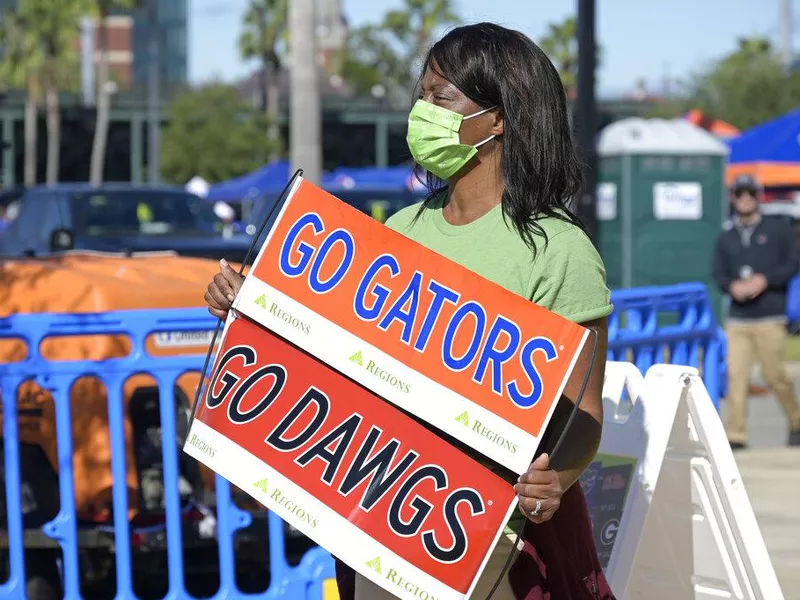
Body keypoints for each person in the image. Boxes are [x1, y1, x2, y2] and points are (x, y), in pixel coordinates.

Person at [206, 23, 614, 600]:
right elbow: (334, 358)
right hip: (380, 520)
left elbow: (585, 413)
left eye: (441, 98)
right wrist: (248, 304)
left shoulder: (558, 249)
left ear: (498, 118)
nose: (422, 112)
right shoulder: (399, 232)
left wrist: (556, 480)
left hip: (491, 539)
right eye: (420, 96)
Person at [713, 174, 800, 449]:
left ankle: (796, 421)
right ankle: (736, 434)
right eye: (740, 193)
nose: (745, 198)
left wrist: (766, 279)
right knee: (736, 376)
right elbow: (718, 274)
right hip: (738, 318)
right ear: (733, 197)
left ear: (758, 196)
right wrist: (732, 286)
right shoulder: (726, 237)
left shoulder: (777, 230)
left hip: (769, 316)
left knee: (775, 375)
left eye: (750, 192)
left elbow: (793, 263)